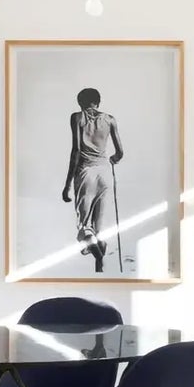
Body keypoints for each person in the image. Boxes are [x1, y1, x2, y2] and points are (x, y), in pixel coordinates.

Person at [62, 87, 124, 272]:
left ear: (80, 103)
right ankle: (99, 264)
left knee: (84, 226)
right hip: (105, 173)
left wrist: (67, 185)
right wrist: (114, 159)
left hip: (85, 172)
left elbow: (76, 151)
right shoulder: (110, 119)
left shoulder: (77, 118)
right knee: (99, 228)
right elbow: (120, 153)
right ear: (98, 102)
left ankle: (97, 255)